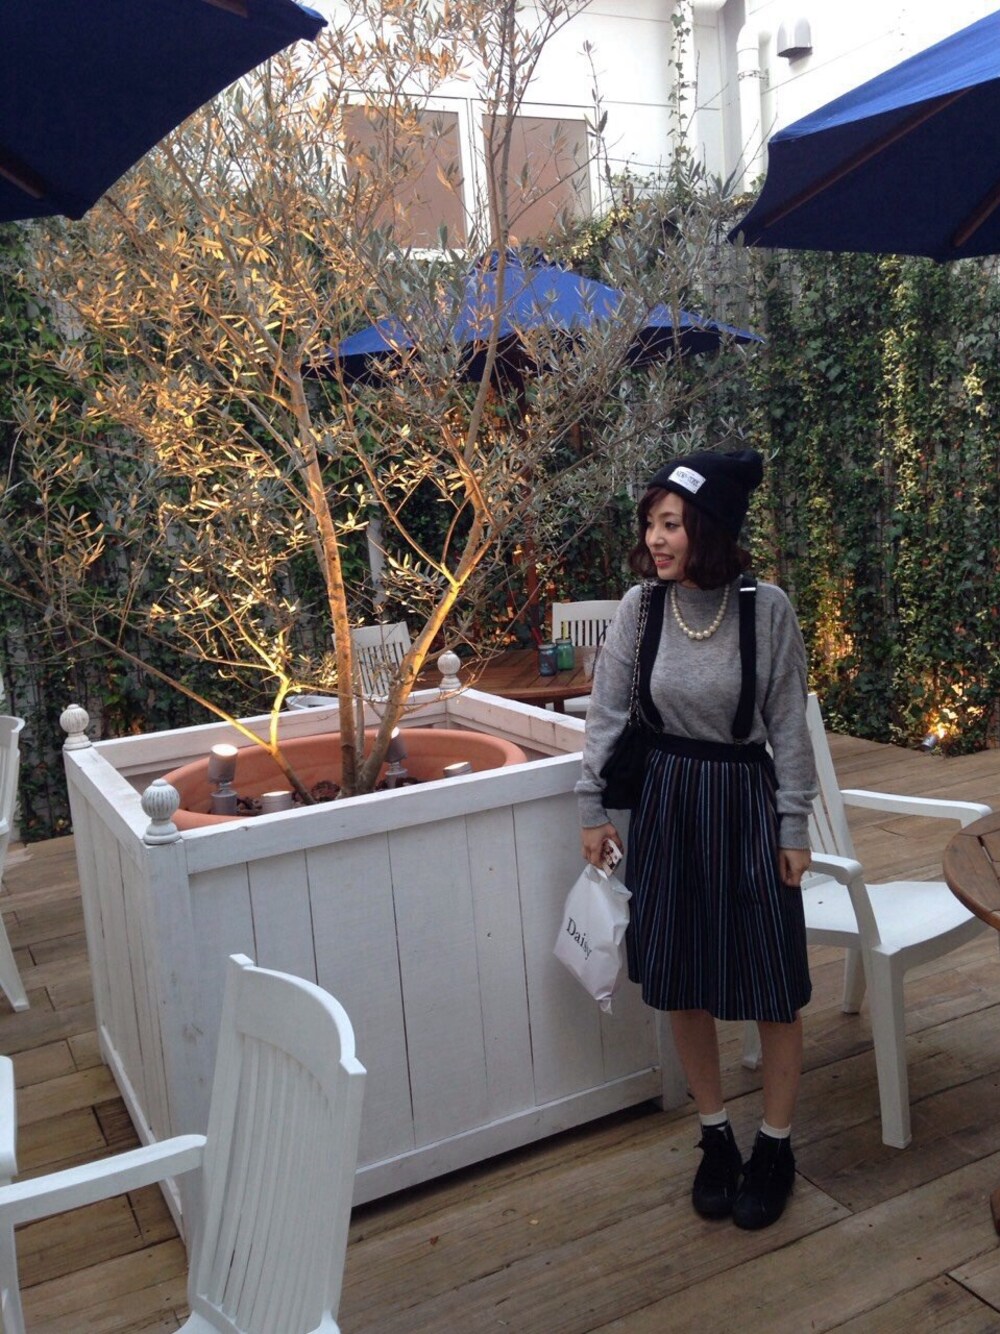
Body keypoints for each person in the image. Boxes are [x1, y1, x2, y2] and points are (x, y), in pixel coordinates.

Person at [576, 448, 817, 1231]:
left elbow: (788, 723)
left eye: (672, 523)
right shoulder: (641, 609)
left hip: (746, 803)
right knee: (680, 977)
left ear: (709, 528)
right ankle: (716, 1138)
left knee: (771, 980)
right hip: (668, 804)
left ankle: (775, 1146)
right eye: (651, 522)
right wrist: (592, 807)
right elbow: (607, 713)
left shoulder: (765, 609)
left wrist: (793, 823)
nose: (656, 537)